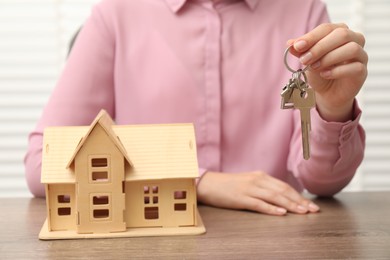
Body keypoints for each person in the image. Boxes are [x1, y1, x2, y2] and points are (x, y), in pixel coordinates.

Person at [24, 0, 368, 216]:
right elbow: (44, 164)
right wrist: (198, 183)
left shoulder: (302, 10)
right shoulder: (116, 13)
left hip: (277, 238)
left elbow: (323, 183)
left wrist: (333, 108)